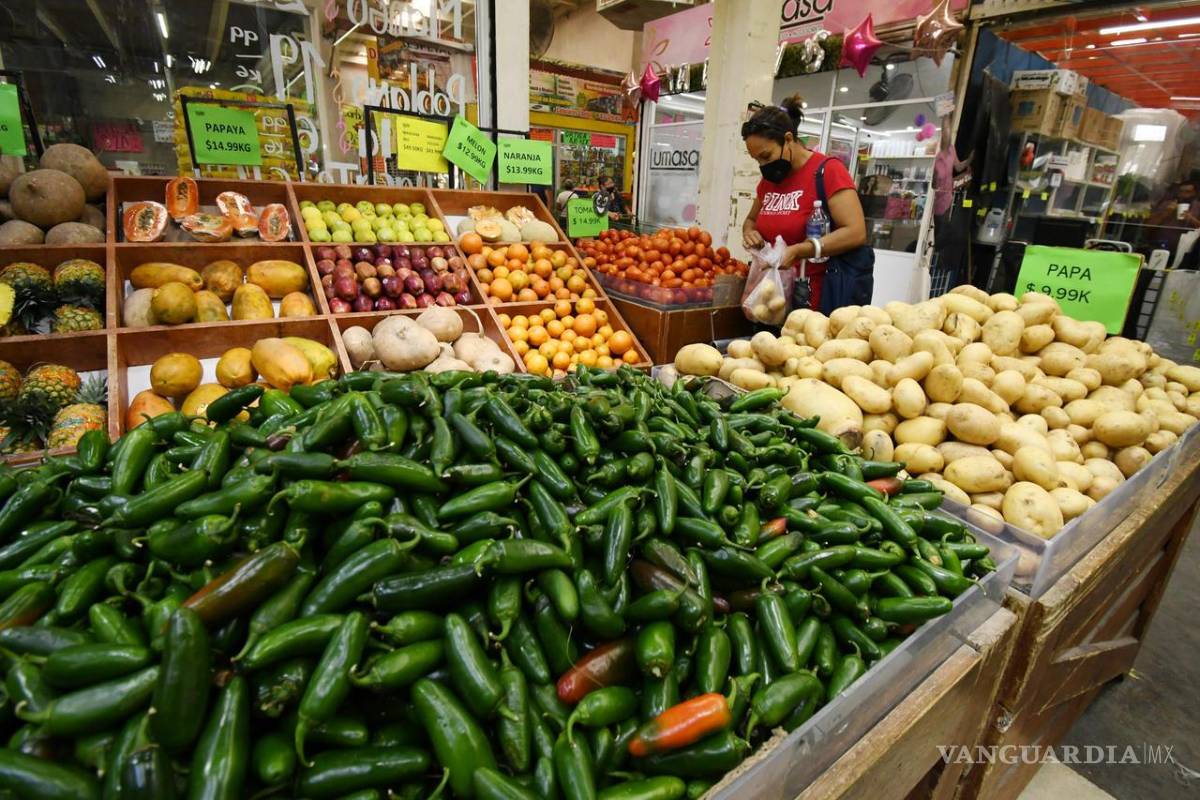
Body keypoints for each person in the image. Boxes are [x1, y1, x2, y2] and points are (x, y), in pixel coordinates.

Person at [741, 95, 870, 312]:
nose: (763, 166)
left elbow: (856, 232)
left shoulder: (828, 171)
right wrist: (749, 232)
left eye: (766, 155)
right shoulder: (769, 181)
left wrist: (800, 250)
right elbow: (751, 220)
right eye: (757, 161)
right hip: (772, 300)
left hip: (816, 303)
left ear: (788, 139)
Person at [932, 119, 973, 288]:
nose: (949, 135)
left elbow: (958, 166)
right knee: (935, 235)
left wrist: (970, 159)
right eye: (946, 132)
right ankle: (932, 263)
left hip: (946, 199)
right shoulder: (935, 152)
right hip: (934, 201)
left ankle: (937, 266)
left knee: (943, 235)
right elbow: (933, 180)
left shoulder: (951, 149)